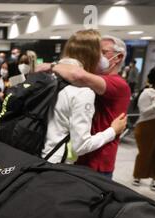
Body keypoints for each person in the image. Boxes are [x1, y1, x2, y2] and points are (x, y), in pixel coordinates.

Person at [38, 34, 131, 179]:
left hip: (98, 160)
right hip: (78, 155)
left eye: (103, 52)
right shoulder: (86, 84)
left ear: (118, 57)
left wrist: (52, 66)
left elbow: (77, 75)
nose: (97, 56)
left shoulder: (118, 84)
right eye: (96, 51)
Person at [132, 65, 155, 191]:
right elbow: (144, 112)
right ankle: (138, 176)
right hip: (147, 125)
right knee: (145, 153)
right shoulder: (147, 92)